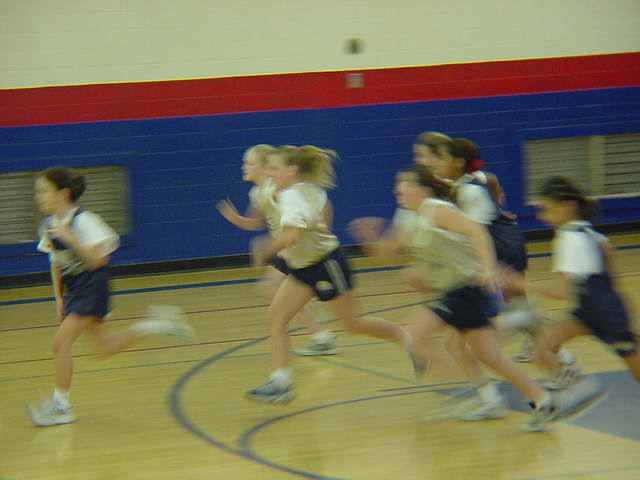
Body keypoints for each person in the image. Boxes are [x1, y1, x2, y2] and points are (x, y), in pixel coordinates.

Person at [350, 164, 603, 432]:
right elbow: (389, 255)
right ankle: (542, 400)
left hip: (468, 287)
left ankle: (468, 388)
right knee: (487, 354)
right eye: (397, 185)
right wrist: (371, 239)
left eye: (405, 184)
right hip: (456, 289)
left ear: (423, 189)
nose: (397, 190)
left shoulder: (436, 210)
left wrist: (488, 269)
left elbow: (477, 231)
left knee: (415, 334)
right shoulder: (411, 217)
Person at [28, 167, 196, 427]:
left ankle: (61, 406)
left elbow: (98, 260)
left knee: (60, 343)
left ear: (62, 193)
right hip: (75, 288)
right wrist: (58, 297)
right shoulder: (48, 225)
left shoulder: (85, 221)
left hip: (92, 286)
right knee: (103, 348)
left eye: (43, 191)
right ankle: (159, 324)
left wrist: (70, 238)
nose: (38, 196)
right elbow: (55, 261)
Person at [246, 145, 412, 404]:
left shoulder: (294, 197)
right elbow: (318, 207)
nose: (268, 173)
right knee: (276, 317)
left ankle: (407, 338)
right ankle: (280, 382)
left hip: (326, 264)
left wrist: (267, 248)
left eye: (274, 168)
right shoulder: (281, 189)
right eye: (266, 168)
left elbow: (292, 235)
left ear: (291, 171)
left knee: (353, 325)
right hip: (302, 267)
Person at [438, 138, 576, 385]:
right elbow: (490, 179)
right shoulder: (469, 181)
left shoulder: (469, 191)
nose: (438, 163)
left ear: (458, 162)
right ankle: (559, 356)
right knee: (520, 308)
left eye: (442, 158)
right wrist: (498, 205)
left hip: (503, 248)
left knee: (516, 310)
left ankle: (559, 357)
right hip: (502, 244)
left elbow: (476, 232)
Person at [505, 176, 640, 383]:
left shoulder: (569, 238)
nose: (541, 216)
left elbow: (561, 292)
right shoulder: (585, 229)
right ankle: (571, 385)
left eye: (547, 209)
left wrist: (520, 283)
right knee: (540, 349)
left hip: (605, 315)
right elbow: (608, 252)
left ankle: (569, 384)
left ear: (568, 206)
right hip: (589, 311)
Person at [217, 144, 338, 355]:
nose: (244, 167)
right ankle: (320, 332)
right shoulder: (258, 193)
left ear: (264, 167)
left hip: (297, 248)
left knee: (274, 292)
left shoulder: (279, 190)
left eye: (250, 163)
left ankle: (320, 329)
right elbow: (256, 222)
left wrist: (320, 234)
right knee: (270, 290)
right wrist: (236, 220)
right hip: (288, 248)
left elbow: (323, 207)